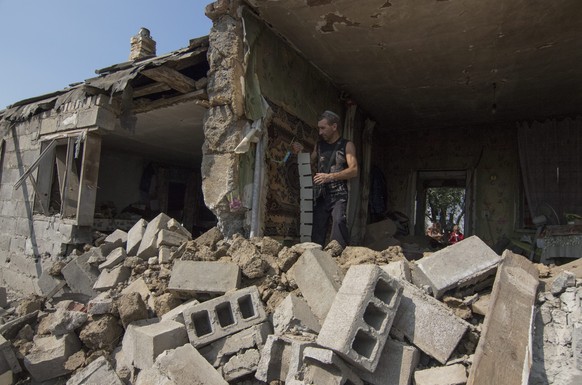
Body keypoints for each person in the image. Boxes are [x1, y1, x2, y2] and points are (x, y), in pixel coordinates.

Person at [292, 110, 358, 247]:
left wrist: (330, 176)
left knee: (339, 222)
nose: (320, 132)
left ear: (334, 127)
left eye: (323, 128)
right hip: (321, 195)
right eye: (319, 128)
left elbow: (354, 170)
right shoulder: (319, 145)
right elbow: (310, 161)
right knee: (317, 229)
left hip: (339, 194)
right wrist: (301, 151)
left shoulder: (347, 145)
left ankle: (338, 256)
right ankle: (316, 259)